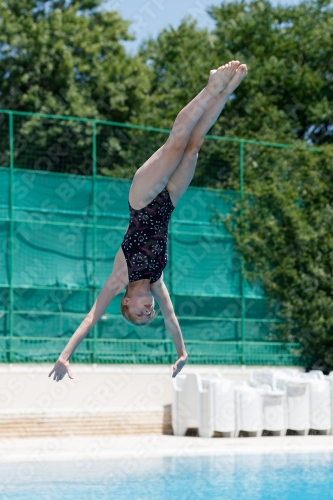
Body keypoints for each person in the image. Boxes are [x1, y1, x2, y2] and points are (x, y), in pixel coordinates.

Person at [48, 61, 248, 382]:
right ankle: (224, 93)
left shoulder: (120, 277)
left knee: (177, 144)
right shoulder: (157, 281)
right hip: (168, 201)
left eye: (139, 313)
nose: (148, 312)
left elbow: (90, 318)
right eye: (147, 315)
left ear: (126, 301)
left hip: (141, 199)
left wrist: (64, 356)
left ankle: (212, 85)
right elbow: (171, 320)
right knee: (194, 146)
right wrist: (182, 353)